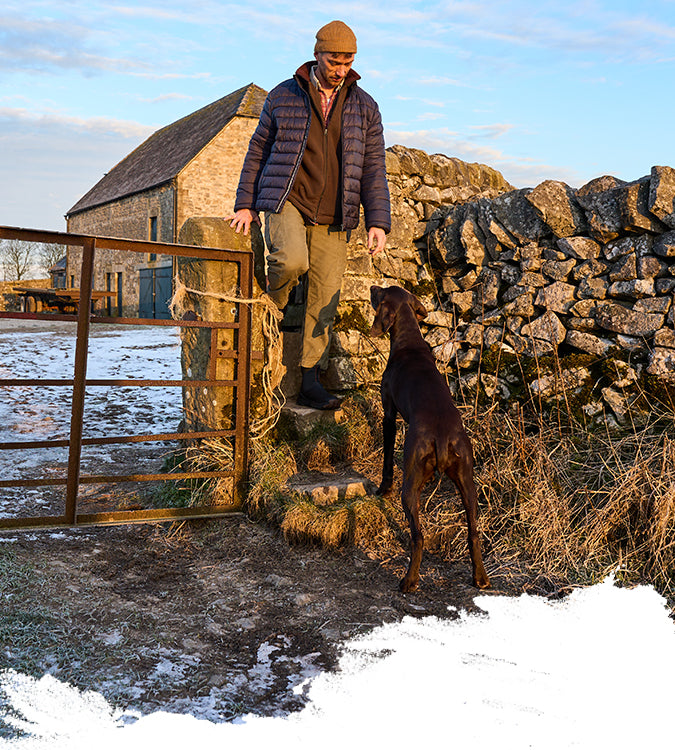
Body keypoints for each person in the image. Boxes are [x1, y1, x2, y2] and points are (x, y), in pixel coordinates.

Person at [228, 19, 391, 410]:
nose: (341, 70)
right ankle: (272, 309)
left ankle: (310, 379)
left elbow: (373, 168)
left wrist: (378, 222)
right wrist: (245, 203)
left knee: (325, 298)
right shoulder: (283, 96)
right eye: (334, 61)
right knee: (289, 261)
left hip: (336, 212)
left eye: (348, 62)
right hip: (288, 200)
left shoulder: (366, 107)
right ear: (317, 56)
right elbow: (258, 150)